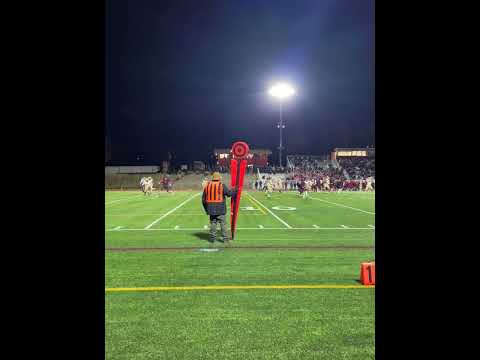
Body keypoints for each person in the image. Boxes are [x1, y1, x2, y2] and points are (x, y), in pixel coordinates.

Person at [202, 172, 237, 243]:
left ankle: (212, 239)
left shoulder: (207, 186)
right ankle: (225, 239)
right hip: (220, 208)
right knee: (223, 223)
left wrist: (206, 209)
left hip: (211, 209)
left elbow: (203, 199)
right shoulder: (221, 185)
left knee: (213, 223)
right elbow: (229, 194)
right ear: (219, 178)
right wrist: (235, 191)